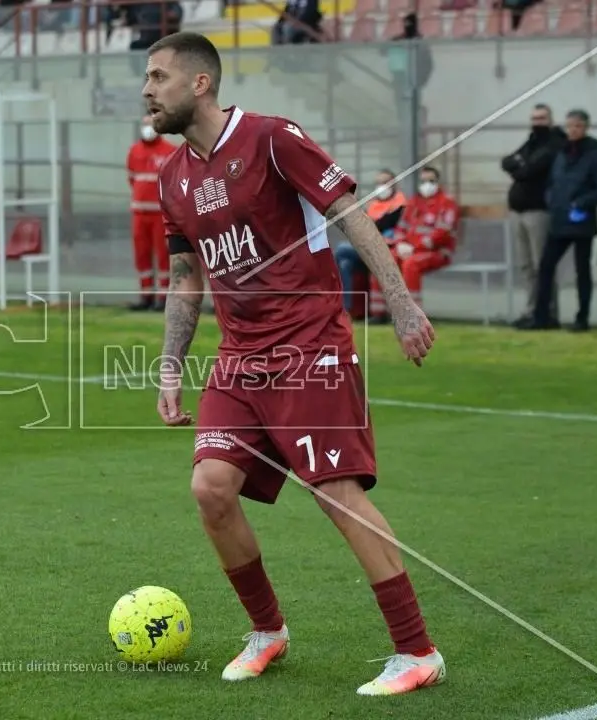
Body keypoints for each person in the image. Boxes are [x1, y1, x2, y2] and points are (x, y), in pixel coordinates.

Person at [143, 31, 443, 695]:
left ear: (199, 83)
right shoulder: (171, 179)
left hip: (310, 344)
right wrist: (170, 367)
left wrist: (400, 303)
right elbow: (187, 278)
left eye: (159, 76)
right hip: (240, 356)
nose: (147, 89)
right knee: (210, 489)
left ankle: (416, 651)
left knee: (335, 493)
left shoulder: (273, 139)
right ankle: (267, 632)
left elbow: (351, 215)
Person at [520, 109, 597, 332]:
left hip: (582, 220)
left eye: (577, 126)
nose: (572, 130)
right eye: (570, 126)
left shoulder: (594, 154)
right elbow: (552, 182)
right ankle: (541, 316)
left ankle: (582, 317)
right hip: (559, 219)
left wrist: (581, 203)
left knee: (582, 269)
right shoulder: (562, 153)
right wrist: (552, 200)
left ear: (586, 127)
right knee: (546, 266)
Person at [366, 167, 458, 321]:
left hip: (436, 252)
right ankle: (379, 313)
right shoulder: (414, 202)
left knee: (411, 264)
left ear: (438, 182)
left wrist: (414, 247)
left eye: (431, 181)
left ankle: (413, 315)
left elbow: (443, 233)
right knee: (382, 260)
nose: (426, 184)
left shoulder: (447, 203)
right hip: (409, 249)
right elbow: (402, 227)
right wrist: (401, 243)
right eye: (423, 181)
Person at [503, 104, 566, 328]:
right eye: (534, 118)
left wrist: (521, 166)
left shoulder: (555, 143)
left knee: (543, 265)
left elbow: (532, 168)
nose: (537, 122)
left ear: (550, 119)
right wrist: (520, 165)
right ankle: (531, 309)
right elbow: (508, 161)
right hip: (518, 211)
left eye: (541, 118)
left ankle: (548, 311)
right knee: (526, 266)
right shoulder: (531, 142)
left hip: (539, 211)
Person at [334, 168, 406, 313]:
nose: (382, 187)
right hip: (368, 249)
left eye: (386, 183)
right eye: (379, 183)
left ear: (394, 185)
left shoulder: (400, 204)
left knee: (342, 249)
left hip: (385, 249)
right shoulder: (373, 204)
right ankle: (346, 309)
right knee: (344, 263)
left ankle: (344, 308)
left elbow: (380, 226)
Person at [126, 114, 177, 311]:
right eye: (145, 124)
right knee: (141, 254)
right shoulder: (134, 151)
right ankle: (145, 295)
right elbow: (132, 179)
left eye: (151, 125)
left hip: (160, 214)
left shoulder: (170, 151)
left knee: (163, 255)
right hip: (139, 213)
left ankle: (163, 297)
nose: (147, 128)